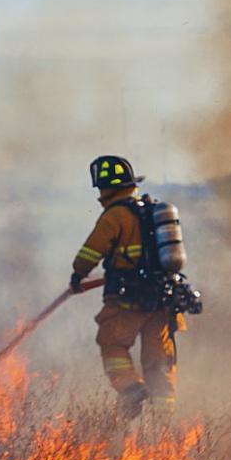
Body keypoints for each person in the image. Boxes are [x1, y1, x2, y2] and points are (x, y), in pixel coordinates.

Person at [69, 156, 185, 421]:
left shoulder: (115, 215)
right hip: (163, 300)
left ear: (105, 188)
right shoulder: (153, 211)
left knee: (112, 343)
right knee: (158, 361)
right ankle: (164, 423)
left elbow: (91, 251)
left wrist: (78, 274)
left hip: (127, 300)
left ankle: (130, 388)